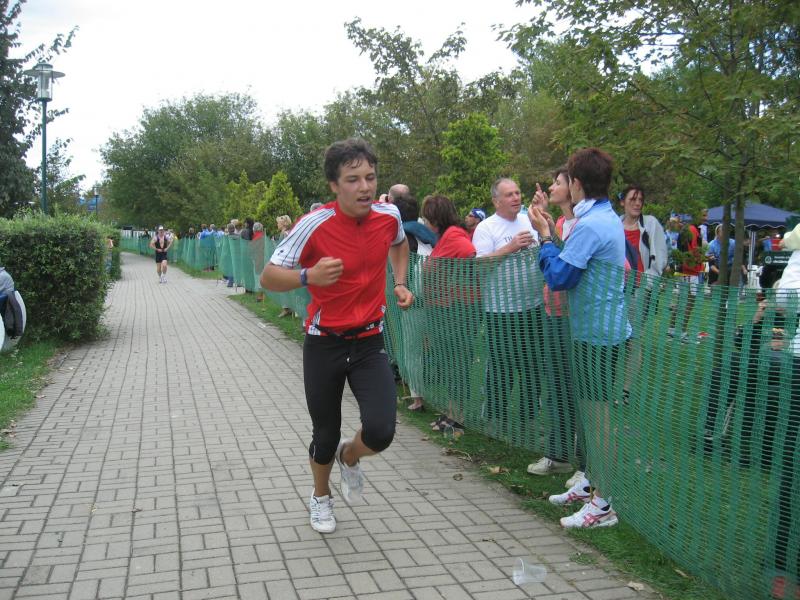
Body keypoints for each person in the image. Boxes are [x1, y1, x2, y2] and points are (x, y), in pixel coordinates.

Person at [260, 138, 413, 534]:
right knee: (324, 434)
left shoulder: (389, 215)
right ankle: (320, 497)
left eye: (370, 177)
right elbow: (269, 277)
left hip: (369, 340)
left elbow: (400, 245)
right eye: (353, 179)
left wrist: (399, 282)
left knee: (381, 431)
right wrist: (308, 275)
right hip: (324, 342)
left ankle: (351, 456)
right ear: (334, 185)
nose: (364, 187)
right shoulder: (313, 224)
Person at [529, 147, 630, 529]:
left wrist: (544, 238)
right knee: (591, 415)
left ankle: (603, 505)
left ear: (577, 183)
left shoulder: (592, 224)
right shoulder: (600, 216)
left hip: (599, 336)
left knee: (599, 419)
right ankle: (591, 483)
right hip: (597, 331)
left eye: (567, 179)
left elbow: (559, 277)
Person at [473, 178, 543, 438]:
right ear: (496, 201)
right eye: (509, 194)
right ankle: (495, 418)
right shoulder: (486, 228)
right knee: (502, 367)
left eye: (517, 192)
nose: (516, 197)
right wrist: (511, 247)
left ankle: (528, 419)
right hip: (500, 310)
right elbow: (479, 266)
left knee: (533, 367)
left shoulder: (529, 220)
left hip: (532, 306)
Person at [525, 168, 583, 484]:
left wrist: (546, 229)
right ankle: (559, 455)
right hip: (554, 313)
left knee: (581, 392)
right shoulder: (560, 223)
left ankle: (587, 465)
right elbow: (552, 257)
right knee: (557, 387)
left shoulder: (584, 225)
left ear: (574, 187)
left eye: (558, 183)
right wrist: (544, 223)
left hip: (577, 319)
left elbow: (565, 267)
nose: (551, 186)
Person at [275, 215, 294, 317]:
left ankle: (286, 308)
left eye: (278, 222)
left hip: (284, 262)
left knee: (282, 285)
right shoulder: (287, 233)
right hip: (286, 262)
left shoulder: (285, 234)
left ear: (283, 224)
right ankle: (288, 307)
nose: (277, 224)